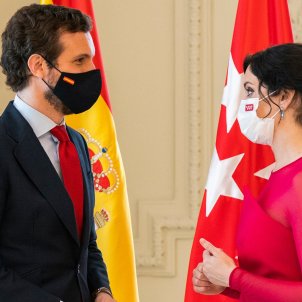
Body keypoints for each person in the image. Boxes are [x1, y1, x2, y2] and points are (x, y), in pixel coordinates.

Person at [0, 4, 115, 302]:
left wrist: (101, 291)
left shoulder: (75, 143)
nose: (92, 71)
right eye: (80, 60)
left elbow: (85, 243)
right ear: (38, 66)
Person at [192, 43, 302, 301]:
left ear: (284, 96)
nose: (242, 103)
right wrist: (226, 284)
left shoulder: (299, 180)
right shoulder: (282, 174)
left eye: (250, 91)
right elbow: (280, 275)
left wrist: (233, 277)